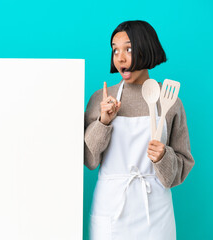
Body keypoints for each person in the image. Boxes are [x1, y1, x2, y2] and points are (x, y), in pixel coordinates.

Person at [84, 20, 195, 240]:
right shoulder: (101, 99)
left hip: (155, 212)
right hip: (111, 210)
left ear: (146, 48)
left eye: (129, 49)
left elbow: (183, 166)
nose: (120, 58)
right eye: (115, 50)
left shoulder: (169, 100)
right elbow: (89, 160)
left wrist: (163, 156)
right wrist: (103, 122)